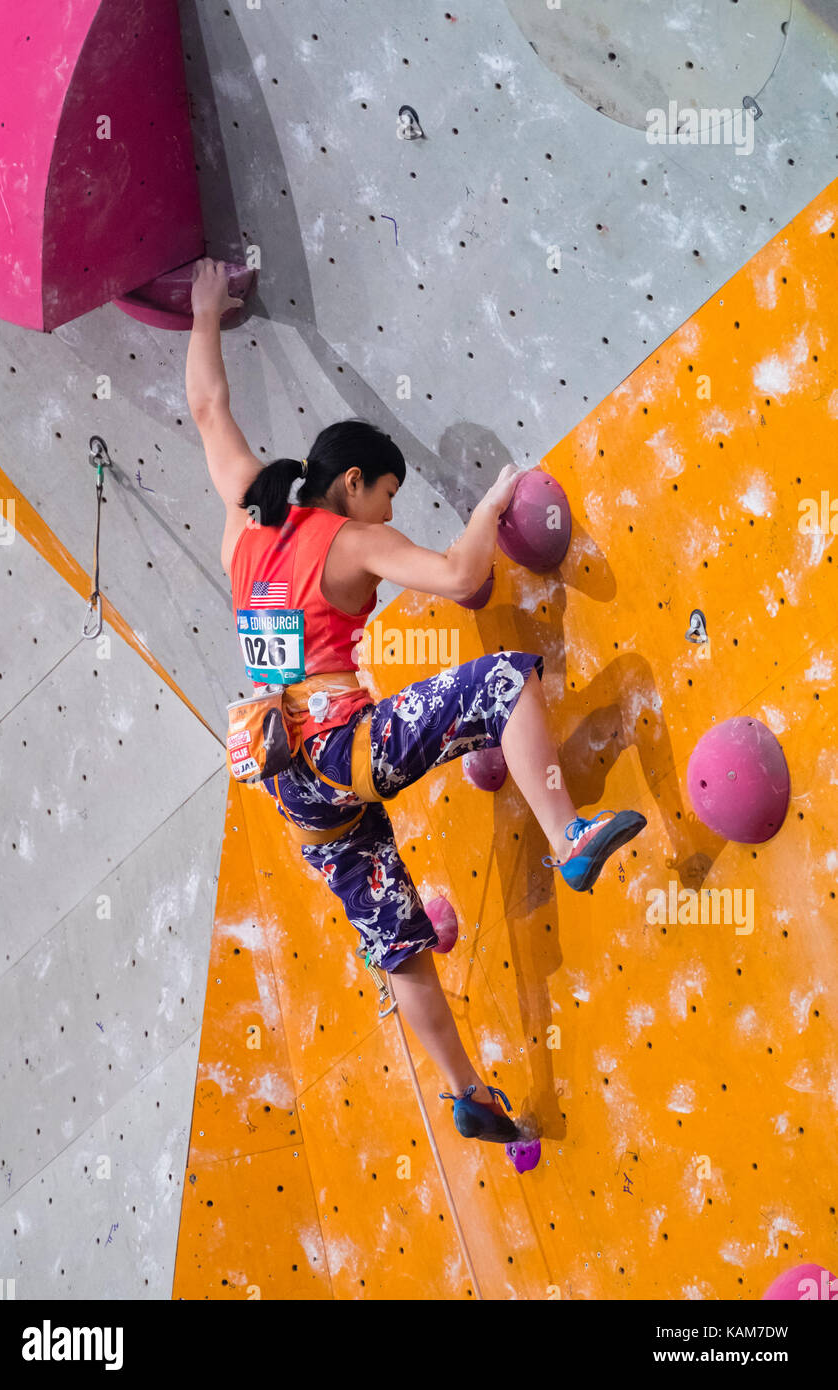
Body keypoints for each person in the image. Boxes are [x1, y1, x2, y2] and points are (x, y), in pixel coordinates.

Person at [186, 258, 646, 1143]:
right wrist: (493, 502)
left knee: (399, 943)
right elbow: (461, 575)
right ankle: (571, 838)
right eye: (389, 490)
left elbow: (210, 411)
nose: (391, 504)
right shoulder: (351, 539)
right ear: (353, 481)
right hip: (337, 745)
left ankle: (469, 1092)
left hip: (291, 793)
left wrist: (204, 314)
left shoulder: (248, 522)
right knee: (504, 680)